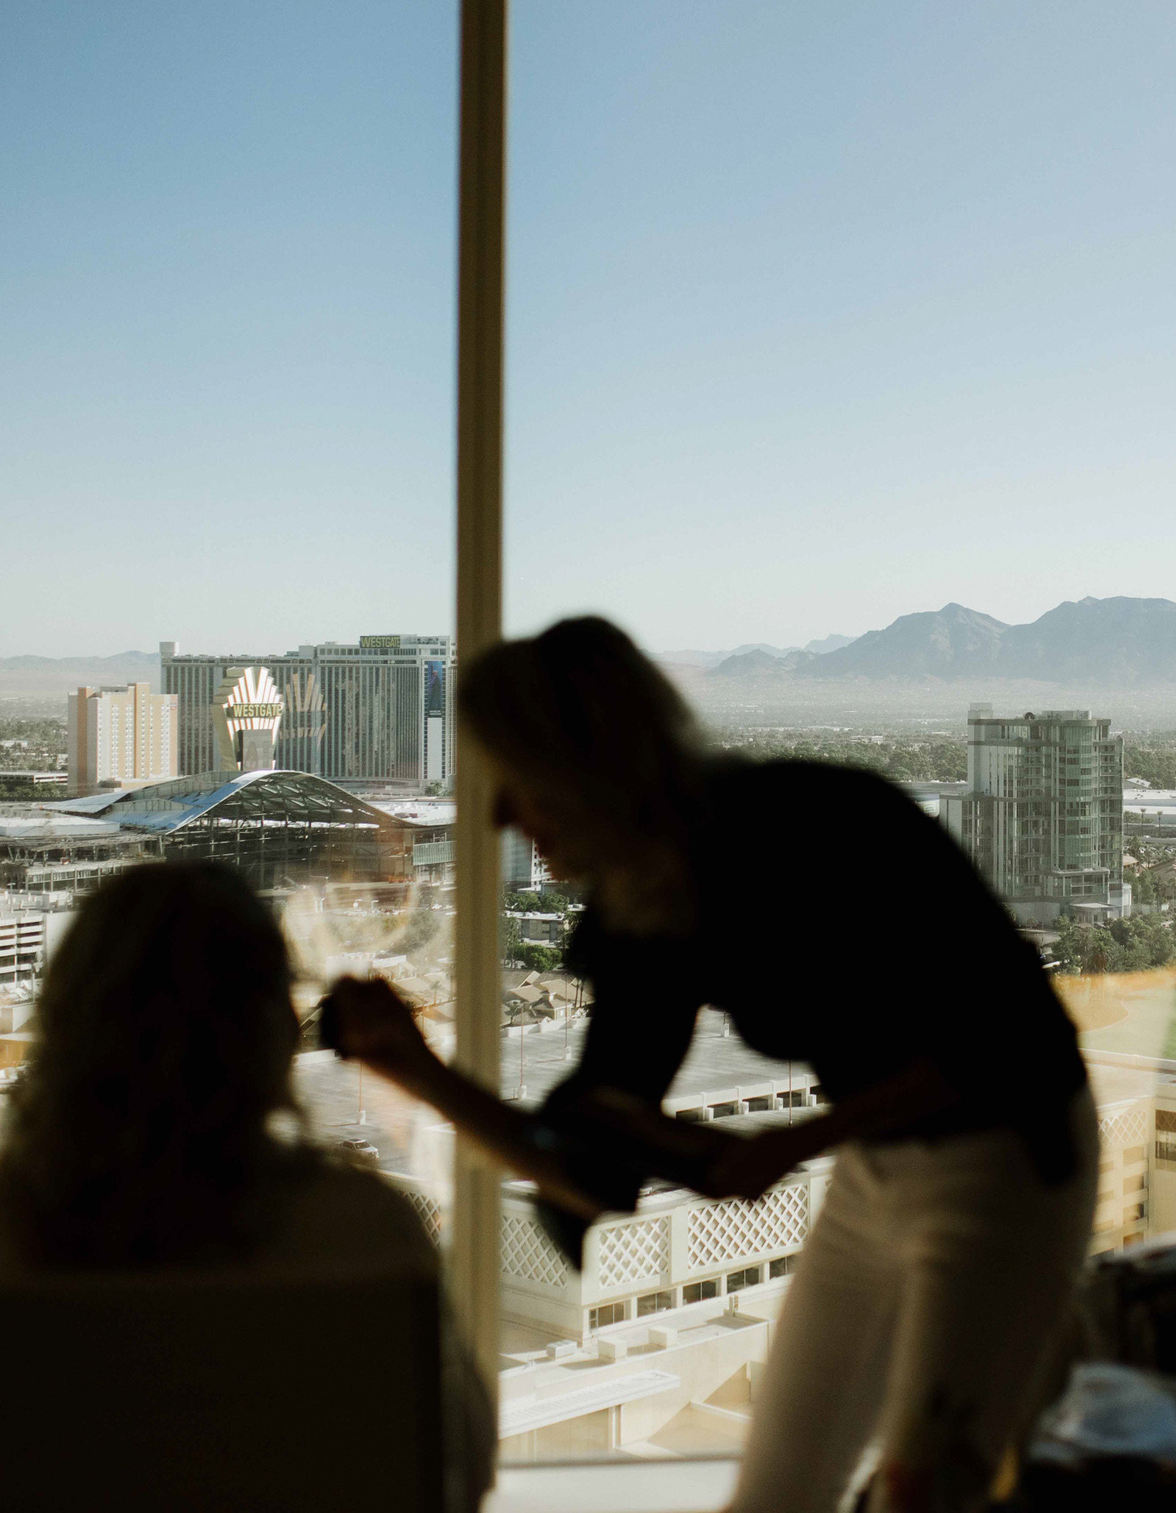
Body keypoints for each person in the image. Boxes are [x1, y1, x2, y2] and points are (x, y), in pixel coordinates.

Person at [331, 616, 1097, 1513]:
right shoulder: (639, 903)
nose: (499, 815)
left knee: (926, 1494)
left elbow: (1000, 1038)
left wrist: (799, 1137)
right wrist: (414, 1069)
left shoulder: (816, 821)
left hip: (1007, 1163)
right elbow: (589, 1162)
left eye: (518, 783)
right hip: (876, 1172)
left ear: (590, 769)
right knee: (776, 1494)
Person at [0, 861, 495, 1513]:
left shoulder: (2, 1226)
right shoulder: (360, 1225)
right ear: (275, 1034)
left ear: (67, 1029)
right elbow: (461, 1461)